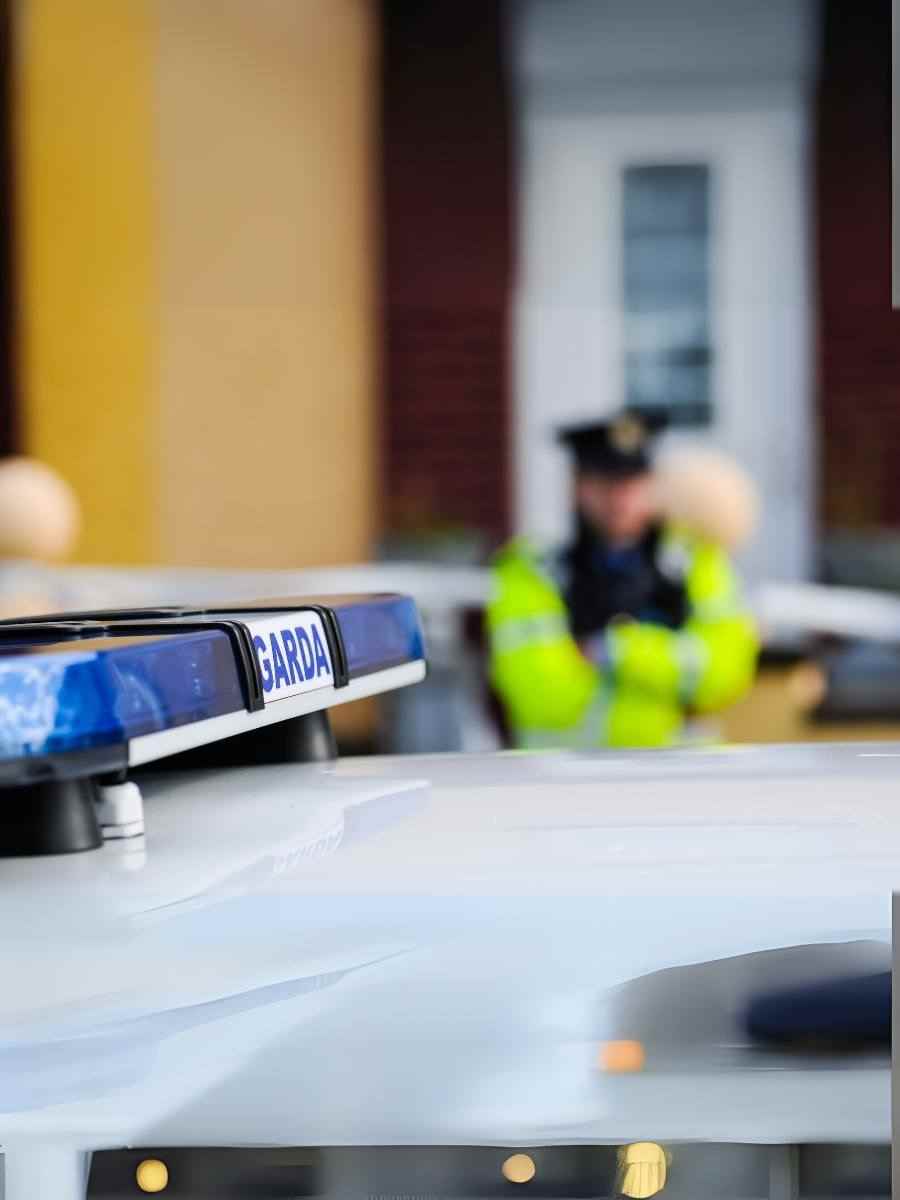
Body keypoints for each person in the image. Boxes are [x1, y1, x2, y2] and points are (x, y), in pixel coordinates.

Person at [485, 410, 759, 749]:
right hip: (565, 783)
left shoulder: (694, 563)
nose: (619, 499)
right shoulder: (532, 571)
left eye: (631, 483)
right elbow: (542, 695)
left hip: (685, 781)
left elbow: (726, 674)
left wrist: (613, 650)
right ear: (577, 487)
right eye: (604, 484)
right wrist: (668, 669)